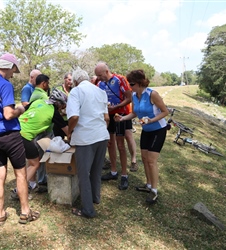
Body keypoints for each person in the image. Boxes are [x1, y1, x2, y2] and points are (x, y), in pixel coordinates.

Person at [0, 53, 40, 225]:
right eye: (14, 69)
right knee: (20, 173)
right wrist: (20, 109)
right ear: (8, 66)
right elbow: (8, 114)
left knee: (0, 174)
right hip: (10, 136)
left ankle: (0, 214)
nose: (13, 73)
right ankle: (25, 212)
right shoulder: (5, 84)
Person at [116, 69, 169, 204]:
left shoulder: (152, 94)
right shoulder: (134, 95)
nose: (130, 87)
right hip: (146, 130)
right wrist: (122, 119)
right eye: (129, 84)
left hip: (158, 129)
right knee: (144, 159)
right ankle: (148, 185)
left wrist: (152, 120)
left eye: (132, 84)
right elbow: (134, 113)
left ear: (140, 83)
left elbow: (165, 112)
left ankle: (154, 191)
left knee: (151, 160)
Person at [11, 88, 69, 199]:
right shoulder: (54, 112)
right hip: (24, 136)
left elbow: (22, 110)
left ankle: (31, 185)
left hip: (15, 129)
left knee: (30, 160)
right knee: (35, 164)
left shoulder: (38, 101)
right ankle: (18, 190)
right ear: (58, 103)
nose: (63, 109)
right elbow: (67, 132)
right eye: (63, 106)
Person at [67, 68, 109, 218]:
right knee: (97, 171)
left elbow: (73, 117)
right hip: (102, 135)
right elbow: (107, 118)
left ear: (76, 81)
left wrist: (69, 131)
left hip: (85, 138)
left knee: (84, 174)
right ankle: (95, 198)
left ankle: (87, 210)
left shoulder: (76, 92)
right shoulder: (100, 91)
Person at [94, 62, 137, 190]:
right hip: (107, 116)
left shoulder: (120, 79)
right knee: (110, 144)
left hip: (121, 115)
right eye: (97, 75)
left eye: (100, 75)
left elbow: (129, 98)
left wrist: (117, 106)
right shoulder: (99, 83)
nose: (99, 78)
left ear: (106, 71)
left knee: (120, 145)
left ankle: (124, 175)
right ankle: (113, 171)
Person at [53, 73, 72, 138]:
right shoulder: (58, 89)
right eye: (69, 79)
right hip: (59, 120)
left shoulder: (73, 90)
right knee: (59, 140)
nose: (70, 82)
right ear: (65, 79)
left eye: (72, 80)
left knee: (71, 139)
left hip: (70, 120)